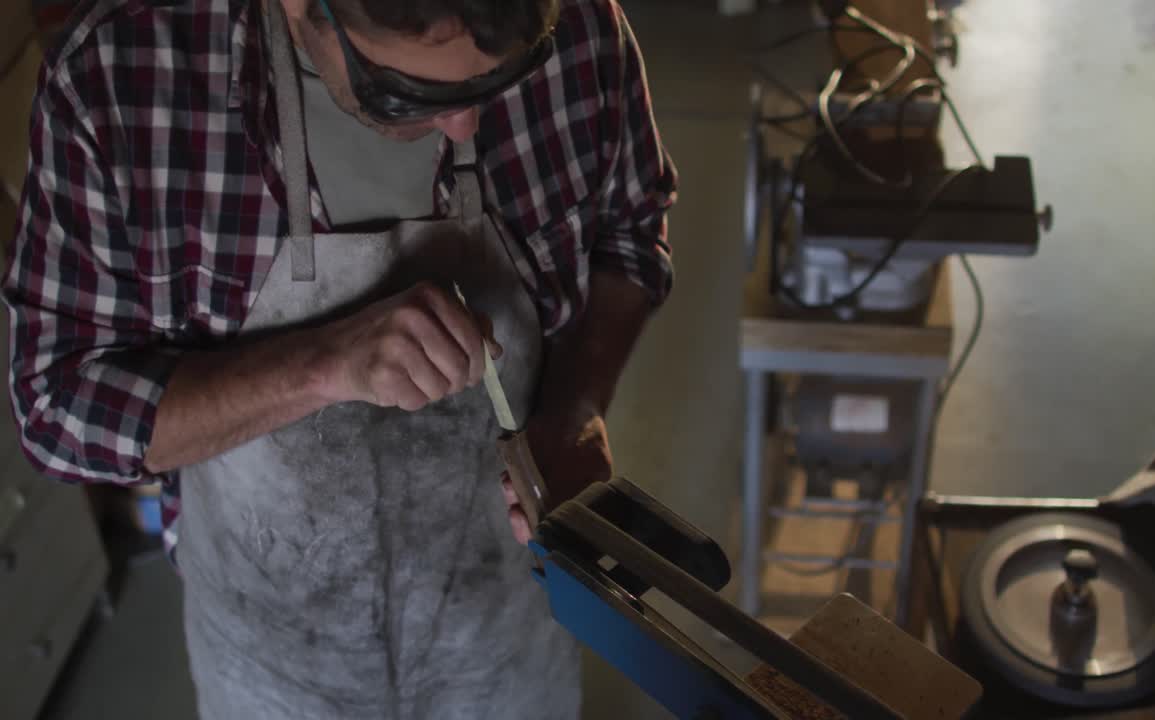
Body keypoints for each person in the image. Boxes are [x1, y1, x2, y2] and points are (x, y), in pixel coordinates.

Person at [3, 0, 677, 716]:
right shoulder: (122, 73)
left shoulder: (581, 25)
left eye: (500, 81)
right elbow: (59, 408)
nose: (463, 126)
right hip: (271, 660)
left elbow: (630, 236)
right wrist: (321, 364)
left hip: (506, 636)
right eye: (407, 92)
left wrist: (576, 407)